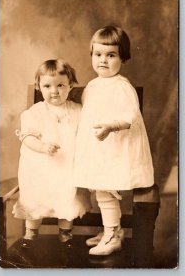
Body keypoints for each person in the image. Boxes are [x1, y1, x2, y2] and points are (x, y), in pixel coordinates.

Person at [73, 25, 154, 256]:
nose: (103, 61)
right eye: (98, 54)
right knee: (101, 191)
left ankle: (112, 235)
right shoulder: (93, 86)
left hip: (115, 149)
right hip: (98, 150)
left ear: (123, 57)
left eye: (111, 55)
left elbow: (130, 117)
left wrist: (110, 126)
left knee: (105, 192)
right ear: (91, 55)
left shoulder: (121, 86)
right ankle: (113, 230)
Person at [13, 59, 91, 248]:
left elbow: (87, 134)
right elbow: (27, 138)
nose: (54, 91)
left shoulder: (78, 111)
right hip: (41, 169)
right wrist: (42, 147)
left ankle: (65, 234)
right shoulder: (34, 113)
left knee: (67, 199)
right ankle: (31, 233)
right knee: (35, 199)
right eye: (47, 85)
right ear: (39, 86)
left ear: (70, 85)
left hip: (67, 168)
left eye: (60, 85)